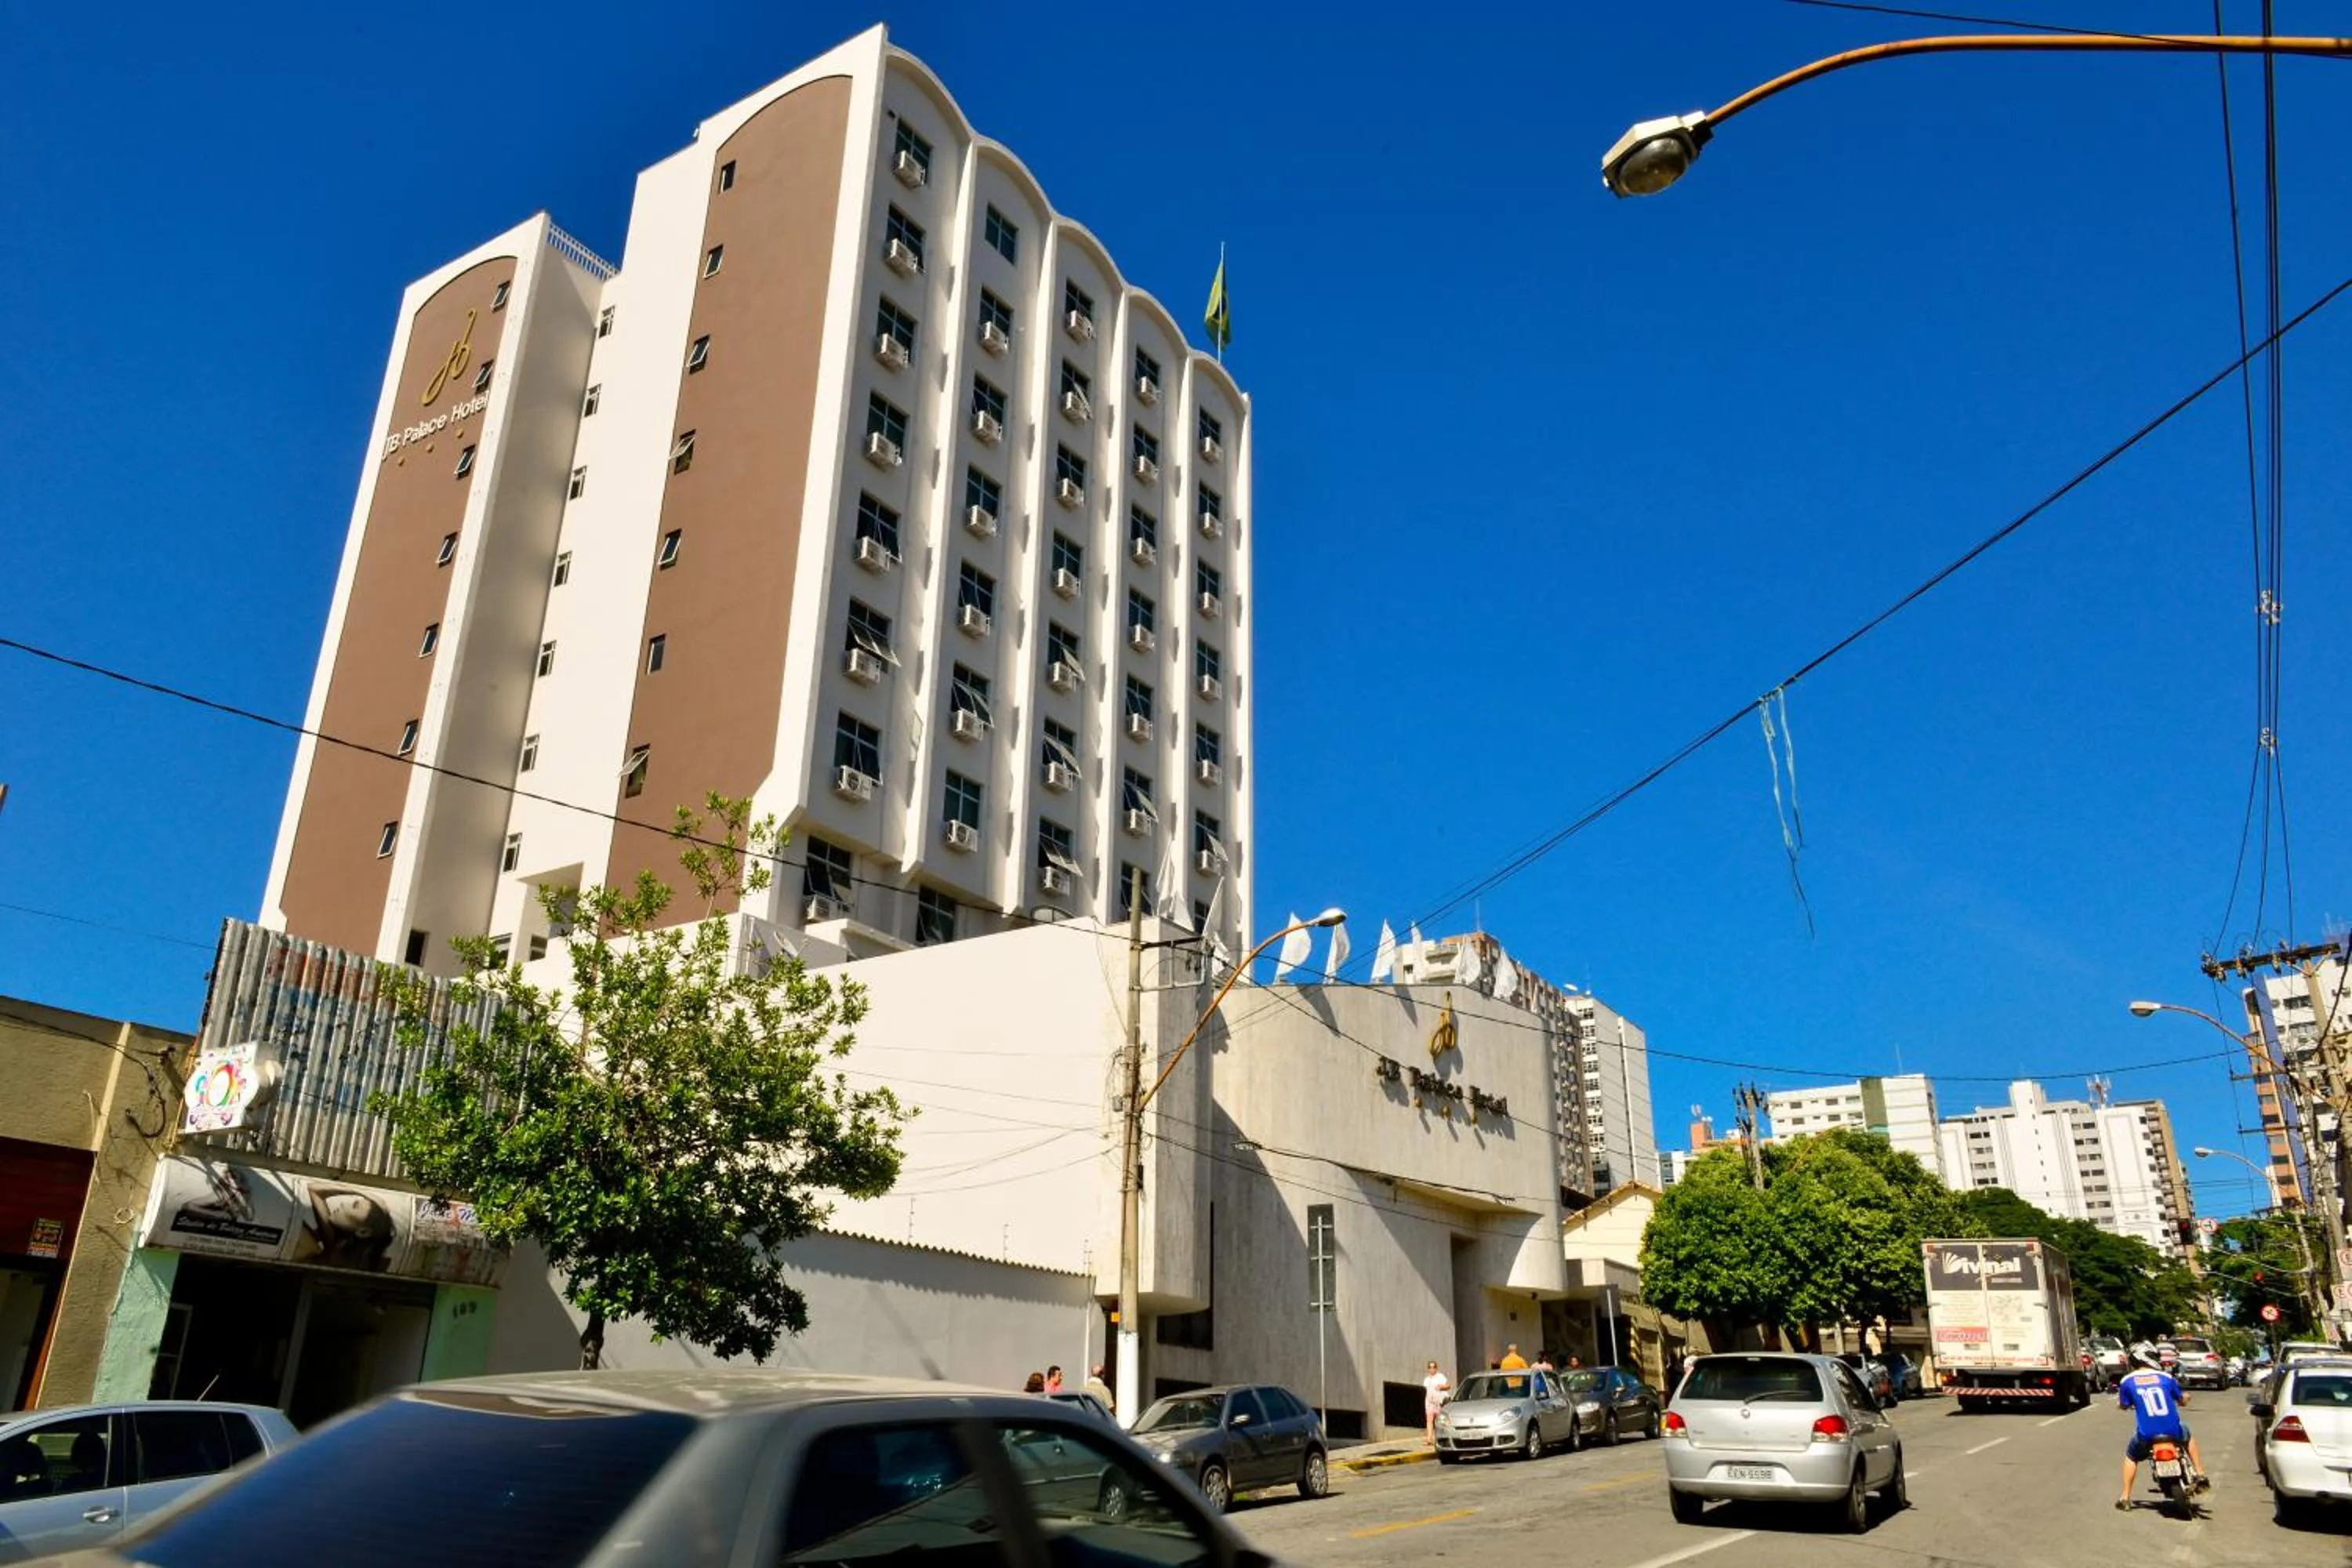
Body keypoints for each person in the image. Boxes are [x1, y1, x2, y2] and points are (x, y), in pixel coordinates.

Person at [2117, 1348, 2207, 1509]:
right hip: (2173, 1431)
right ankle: (2200, 1474)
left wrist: (2125, 1405)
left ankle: (2125, 1497)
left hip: (2146, 1435)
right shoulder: (2166, 1377)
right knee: (2188, 1436)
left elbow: (2124, 1404)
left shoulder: (2127, 1381)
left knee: (2131, 1456)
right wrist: (2186, 1398)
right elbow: (2181, 1400)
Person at [1421, 1360, 1450, 1447]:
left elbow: (1448, 1386)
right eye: (1430, 1367)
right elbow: (1427, 1391)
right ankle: (1429, 1439)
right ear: (1428, 1369)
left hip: (1439, 1403)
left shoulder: (1440, 1377)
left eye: (1434, 1367)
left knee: (1440, 1421)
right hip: (1430, 1403)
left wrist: (1442, 1387)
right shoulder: (1427, 1380)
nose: (1432, 1369)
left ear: (1436, 1368)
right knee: (1429, 1421)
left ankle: (1442, 1438)